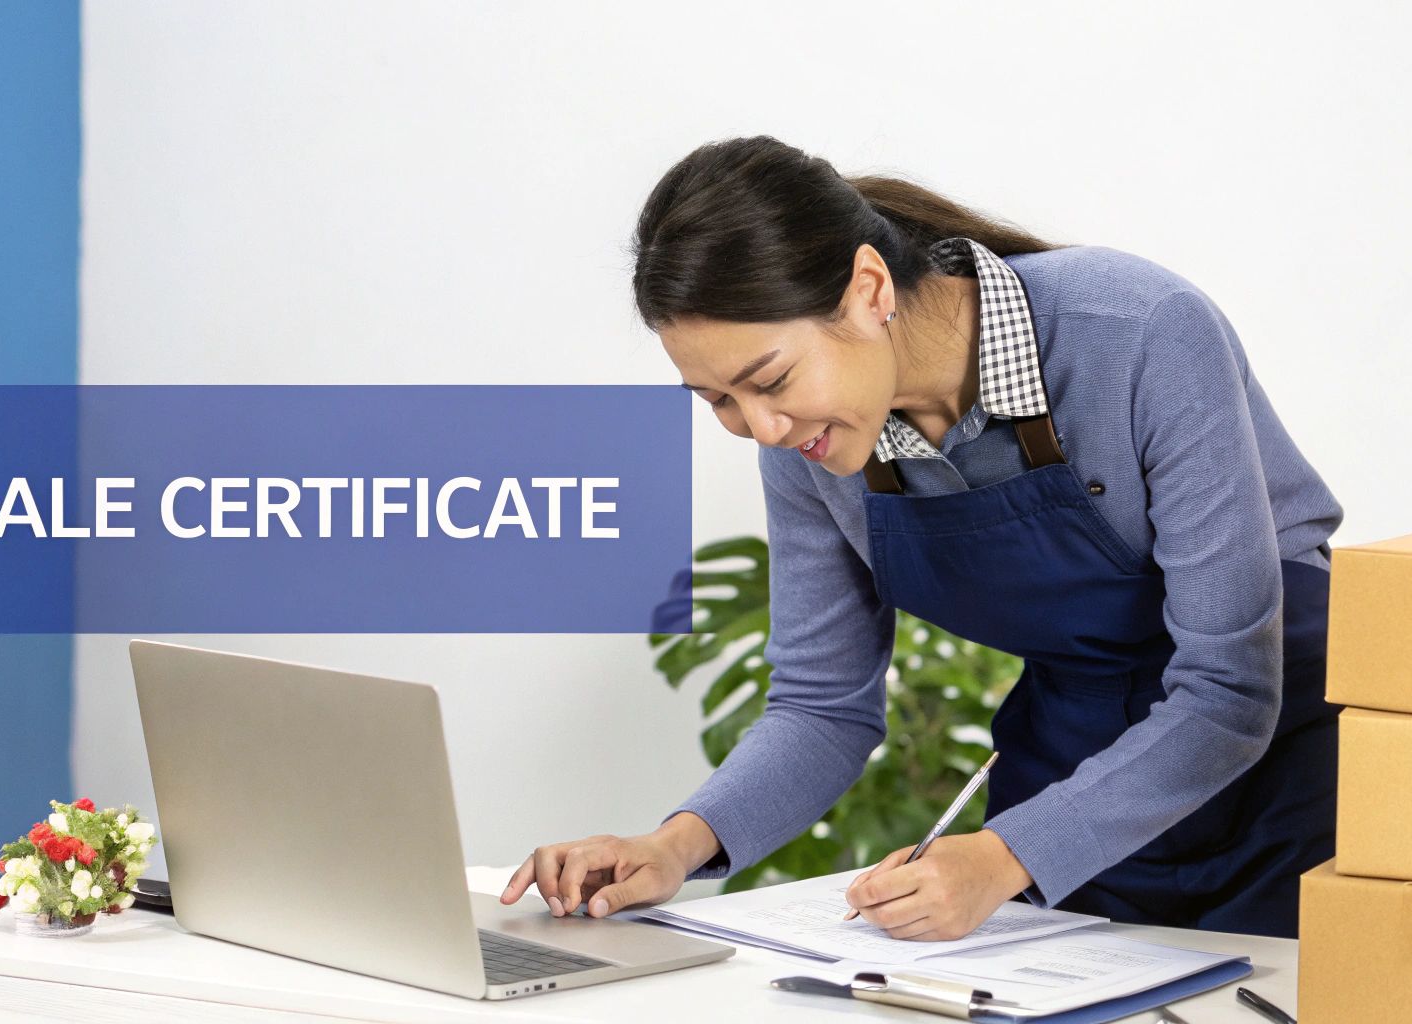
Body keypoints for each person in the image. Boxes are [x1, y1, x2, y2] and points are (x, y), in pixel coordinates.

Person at [499, 135, 1341, 941]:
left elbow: (1228, 692)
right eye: (716, 400)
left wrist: (1008, 856)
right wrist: (671, 846)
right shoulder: (812, 441)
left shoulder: (1139, 330)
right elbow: (822, 706)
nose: (757, 426)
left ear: (869, 289)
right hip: (1075, 761)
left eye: (770, 380)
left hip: (1289, 773)